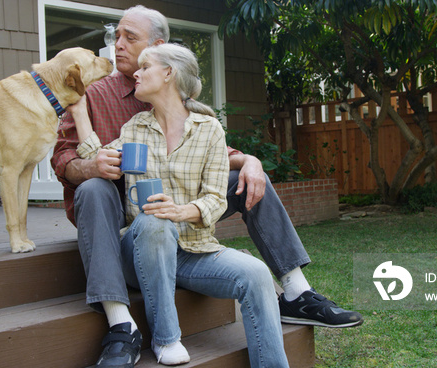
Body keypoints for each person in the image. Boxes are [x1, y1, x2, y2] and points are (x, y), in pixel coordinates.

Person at [51, 5, 363, 367]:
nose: (117, 45)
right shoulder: (108, 104)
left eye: (129, 38)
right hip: (122, 212)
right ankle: (123, 324)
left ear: (162, 55)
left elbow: (209, 152)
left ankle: (296, 291)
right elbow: (65, 158)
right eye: (115, 36)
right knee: (101, 191)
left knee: (248, 178)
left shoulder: (196, 117)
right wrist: (90, 164)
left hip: (184, 222)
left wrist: (250, 161)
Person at [74, 42, 289, 367]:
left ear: (168, 74)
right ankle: (165, 339)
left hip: (193, 251)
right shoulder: (135, 130)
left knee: (257, 274)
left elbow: (217, 199)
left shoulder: (209, 130)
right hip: (140, 253)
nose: (136, 73)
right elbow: (96, 158)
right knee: (155, 220)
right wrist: (77, 110)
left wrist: (182, 211)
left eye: (146, 67)